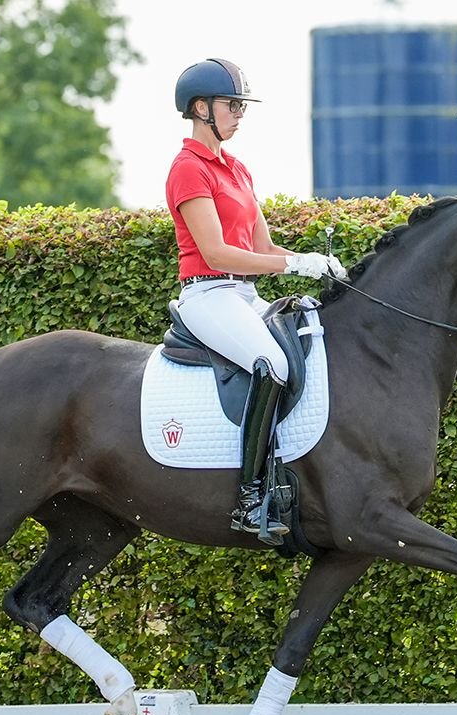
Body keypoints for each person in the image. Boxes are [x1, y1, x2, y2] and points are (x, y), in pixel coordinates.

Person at [166, 58, 346, 544]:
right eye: (231, 105)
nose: (240, 113)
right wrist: (293, 266)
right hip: (208, 293)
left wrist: (313, 263)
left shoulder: (237, 169)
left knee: (307, 341)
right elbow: (218, 252)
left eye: (241, 105)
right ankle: (250, 497)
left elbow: (263, 250)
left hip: (243, 293)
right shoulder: (188, 169)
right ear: (201, 109)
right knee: (270, 362)